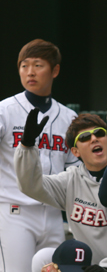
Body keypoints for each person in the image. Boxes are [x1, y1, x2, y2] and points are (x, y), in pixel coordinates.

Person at [14, 112, 107, 266]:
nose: (93, 139)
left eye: (99, 133)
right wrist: (26, 145)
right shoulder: (71, 180)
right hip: (88, 266)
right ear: (75, 152)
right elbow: (30, 185)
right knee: (43, 258)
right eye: (85, 137)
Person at [0, 39, 80, 271]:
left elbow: (75, 169)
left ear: (55, 70)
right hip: (14, 212)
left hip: (53, 214)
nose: (30, 72)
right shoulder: (5, 111)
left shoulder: (68, 117)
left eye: (38, 65)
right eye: (24, 66)